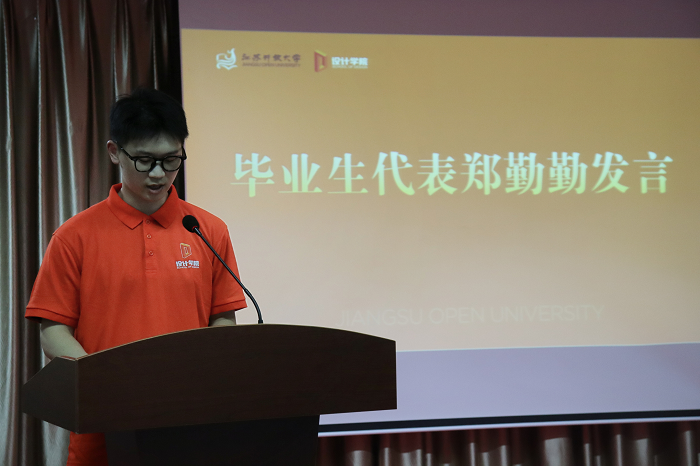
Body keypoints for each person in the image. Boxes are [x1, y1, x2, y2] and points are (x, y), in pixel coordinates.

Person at [25, 88, 247, 465]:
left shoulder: (207, 230)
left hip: (191, 426)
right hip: (105, 430)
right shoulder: (75, 236)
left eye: (171, 160)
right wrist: (103, 383)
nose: (159, 174)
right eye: (144, 161)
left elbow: (223, 318)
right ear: (115, 152)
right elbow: (53, 330)